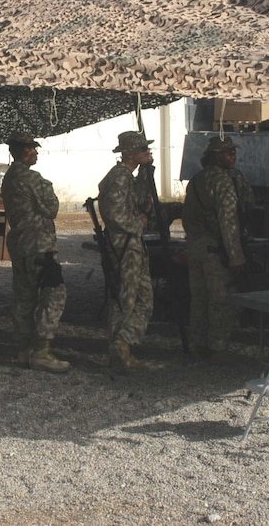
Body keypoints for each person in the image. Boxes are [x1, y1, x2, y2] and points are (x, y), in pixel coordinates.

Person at [1, 132, 69, 373]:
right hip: (39, 244)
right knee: (54, 294)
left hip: (20, 243)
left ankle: (23, 350)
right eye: (33, 149)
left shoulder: (8, 178)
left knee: (23, 296)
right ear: (24, 151)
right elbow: (51, 208)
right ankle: (42, 350)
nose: (36, 153)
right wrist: (47, 187)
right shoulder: (31, 178)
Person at [182, 136, 246, 363]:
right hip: (216, 252)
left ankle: (198, 345)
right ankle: (218, 348)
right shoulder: (224, 182)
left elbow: (187, 217)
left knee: (198, 299)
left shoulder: (196, 180)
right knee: (220, 300)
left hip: (196, 248)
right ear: (216, 157)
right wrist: (235, 256)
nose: (233, 156)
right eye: (228, 152)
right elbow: (228, 222)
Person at [99, 131, 155, 370]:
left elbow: (138, 200)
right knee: (127, 297)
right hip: (124, 245)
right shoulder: (119, 177)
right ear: (131, 154)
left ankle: (122, 345)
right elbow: (113, 213)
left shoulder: (128, 176)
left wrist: (146, 173)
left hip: (131, 244)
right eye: (143, 150)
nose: (148, 153)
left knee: (140, 297)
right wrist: (137, 223)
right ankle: (119, 347)